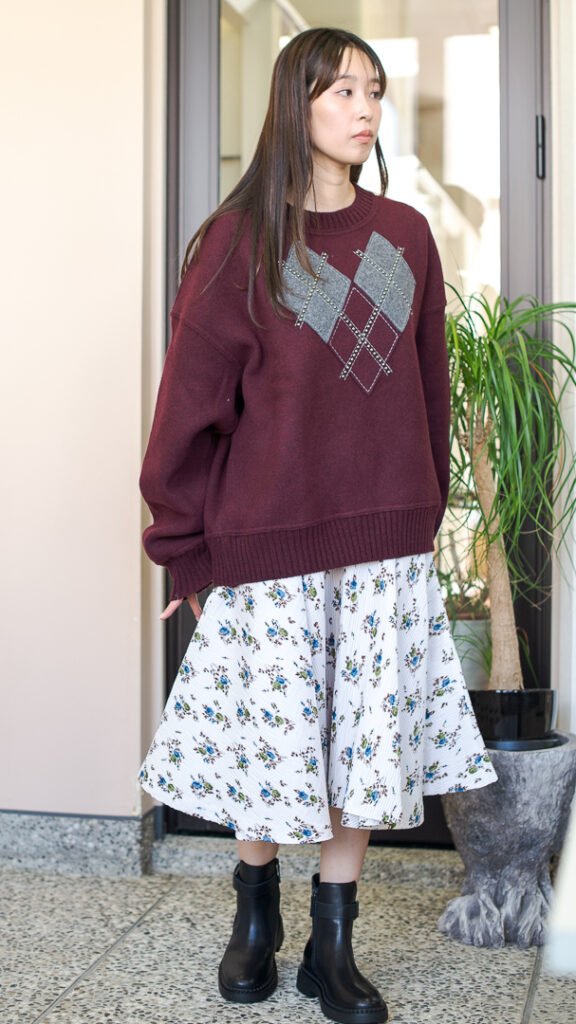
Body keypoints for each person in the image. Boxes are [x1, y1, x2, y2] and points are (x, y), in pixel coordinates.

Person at [139, 26, 497, 1024]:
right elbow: (187, 413)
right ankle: (255, 914)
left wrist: (420, 514)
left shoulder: (405, 237)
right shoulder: (238, 245)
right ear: (294, 105)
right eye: (341, 90)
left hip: (383, 551)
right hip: (269, 551)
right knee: (274, 743)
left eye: (373, 89)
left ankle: (331, 945)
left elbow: (427, 391)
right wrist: (184, 547)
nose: (365, 107)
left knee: (361, 749)